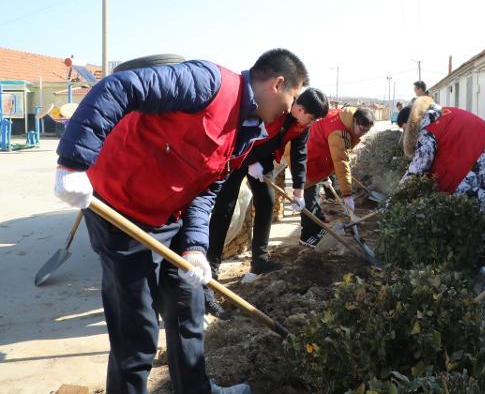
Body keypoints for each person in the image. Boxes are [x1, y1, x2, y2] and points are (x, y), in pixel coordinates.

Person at [54, 49, 308, 394]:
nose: (289, 109)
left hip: (168, 213)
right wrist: (73, 162)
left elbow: (207, 189)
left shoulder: (246, 130)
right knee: (137, 332)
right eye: (292, 98)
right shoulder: (207, 83)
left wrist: (194, 247)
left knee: (189, 302)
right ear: (278, 84)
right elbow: (119, 88)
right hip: (119, 210)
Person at [204, 88, 329, 317]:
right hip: (239, 154)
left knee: (266, 202)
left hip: (264, 160)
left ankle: (259, 260)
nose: (311, 123)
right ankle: (211, 272)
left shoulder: (302, 124)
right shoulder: (277, 107)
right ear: (299, 108)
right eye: (311, 118)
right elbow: (242, 131)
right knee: (225, 207)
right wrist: (250, 160)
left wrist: (299, 191)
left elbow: (299, 153)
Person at [400, 96, 485, 245]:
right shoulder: (447, 112)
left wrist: (398, 193)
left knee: (471, 221)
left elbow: (419, 166)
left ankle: (477, 259)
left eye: (404, 130)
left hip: (481, 170)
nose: (404, 135)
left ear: (411, 123)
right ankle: (483, 257)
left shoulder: (427, 130)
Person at [299, 106, 374, 247]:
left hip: (317, 155)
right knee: (308, 198)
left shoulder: (348, 117)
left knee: (314, 195)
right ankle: (306, 235)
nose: (363, 134)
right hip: (308, 156)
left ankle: (317, 228)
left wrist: (326, 172)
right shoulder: (339, 133)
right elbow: (341, 161)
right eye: (362, 130)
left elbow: (338, 156)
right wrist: (347, 194)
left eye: (366, 131)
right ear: (355, 121)